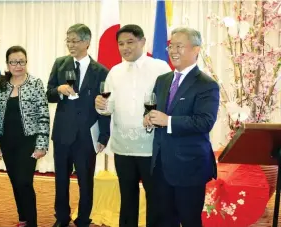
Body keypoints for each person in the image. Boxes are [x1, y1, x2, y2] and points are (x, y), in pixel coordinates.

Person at [95, 24, 171, 227]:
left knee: (156, 197)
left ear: (143, 42)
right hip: (123, 147)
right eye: (121, 44)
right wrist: (100, 106)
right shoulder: (114, 72)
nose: (125, 47)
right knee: (127, 196)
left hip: (151, 147)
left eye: (130, 42)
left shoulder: (160, 67)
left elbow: (169, 103)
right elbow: (108, 107)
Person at [144, 27, 220, 227]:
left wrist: (167, 120)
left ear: (196, 50)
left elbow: (205, 122)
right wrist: (148, 120)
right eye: (171, 46)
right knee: (163, 220)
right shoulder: (162, 80)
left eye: (179, 46)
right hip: (161, 166)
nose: (173, 51)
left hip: (189, 167)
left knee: (189, 220)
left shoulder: (206, 84)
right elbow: (154, 111)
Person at [46, 23, 110, 227]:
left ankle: (83, 219)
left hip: (86, 136)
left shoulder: (100, 71)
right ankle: (62, 218)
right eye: (68, 40)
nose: (70, 45)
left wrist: (103, 136)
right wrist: (59, 90)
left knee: (85, 181)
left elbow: (104, 106)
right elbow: (48, 94)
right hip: (63, 133)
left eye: (75, 41)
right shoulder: (60, 64)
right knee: (61, 180)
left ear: (87, 42)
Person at [0, 45, 50, 227]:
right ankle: (23, 218)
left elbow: (43, 114)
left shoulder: (35, 83)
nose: (18, 65)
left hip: (28, 141)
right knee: (15, 181)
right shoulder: (1, 85)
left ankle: (32, 222)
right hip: (7, 141)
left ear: (26, 62)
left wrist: (41, 144)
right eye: (14, 62)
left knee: (25, 181)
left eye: (21, 61)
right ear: (7, 64)